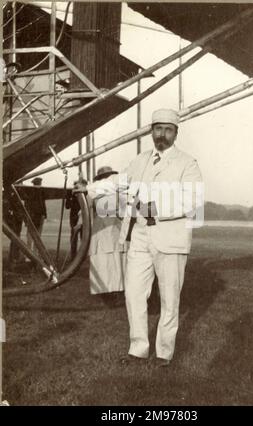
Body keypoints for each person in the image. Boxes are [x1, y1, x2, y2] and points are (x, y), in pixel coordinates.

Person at [80, 109, 203, 367]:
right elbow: (118, 182)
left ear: (176, 133)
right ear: (151, 131)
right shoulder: (140, 161)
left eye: (168, 130)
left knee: (170, 298)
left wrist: (152, 208)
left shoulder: (187, 163)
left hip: (171, 237)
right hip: (140, 235)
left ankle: (164, 354)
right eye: (158, 129)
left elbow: (191, 201)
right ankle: (138, 349)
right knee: (134, 293)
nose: (162, 135)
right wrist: (89, 188)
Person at [88, 166, 126, 296]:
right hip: (108, 225)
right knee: (113, 256)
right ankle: (114, 287)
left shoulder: (94, 191)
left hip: (106, 226)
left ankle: (108, 288)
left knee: (108, 255)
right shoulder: (114, 191)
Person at [66, 178, 88, 260]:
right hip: (74, 217)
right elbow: (67, 206)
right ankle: (73, 255)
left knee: (83, 236)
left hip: (83, 217)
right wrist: (69, 197)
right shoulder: (71, 195)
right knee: (74, 236)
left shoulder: (85, 194)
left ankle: (83, 255)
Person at [24, 177, 47, 252]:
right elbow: (42, 205)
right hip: (35, 216)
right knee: (34, 235)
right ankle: (33, 252)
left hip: (36, 216)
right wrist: (44, 214)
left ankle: (32, 253)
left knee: (32, 235)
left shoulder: (34, 192)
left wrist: (44, 215)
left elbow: (42, 204)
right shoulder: (38, 192)